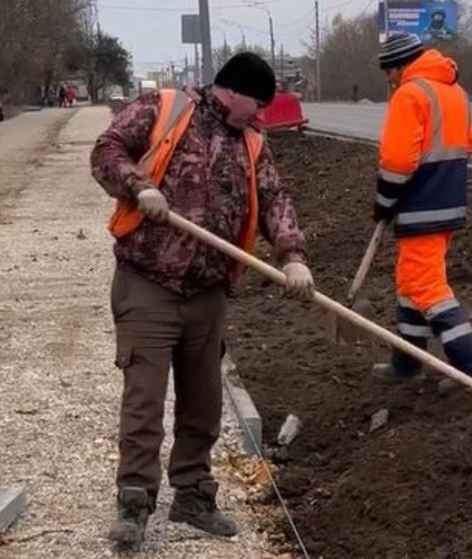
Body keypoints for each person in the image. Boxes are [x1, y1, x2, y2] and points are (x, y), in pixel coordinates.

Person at [90, 51, 314, 550]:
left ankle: (193, 495)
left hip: (208, 291)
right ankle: (133, 504)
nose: (261, 115)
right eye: (256, 103)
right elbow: (106, 150)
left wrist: (293, 255)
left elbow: (275, 200)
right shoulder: (165, 108)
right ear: (229, 91)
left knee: (204, 402)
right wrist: (138, 186)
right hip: (147, 280)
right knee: (145, 399)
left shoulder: (253, 143)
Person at [371, 33, 472, 388]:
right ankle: (408, 362)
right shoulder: (456, 92)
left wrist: (384, 203)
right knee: (411, 282)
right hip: (447, 202)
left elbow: (396, 161)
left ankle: (470, 368)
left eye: (389, 72)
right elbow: (470, 144)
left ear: (399, 66)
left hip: (422, 205)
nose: (389, 80)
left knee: (426, 287)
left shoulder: (410, 94)